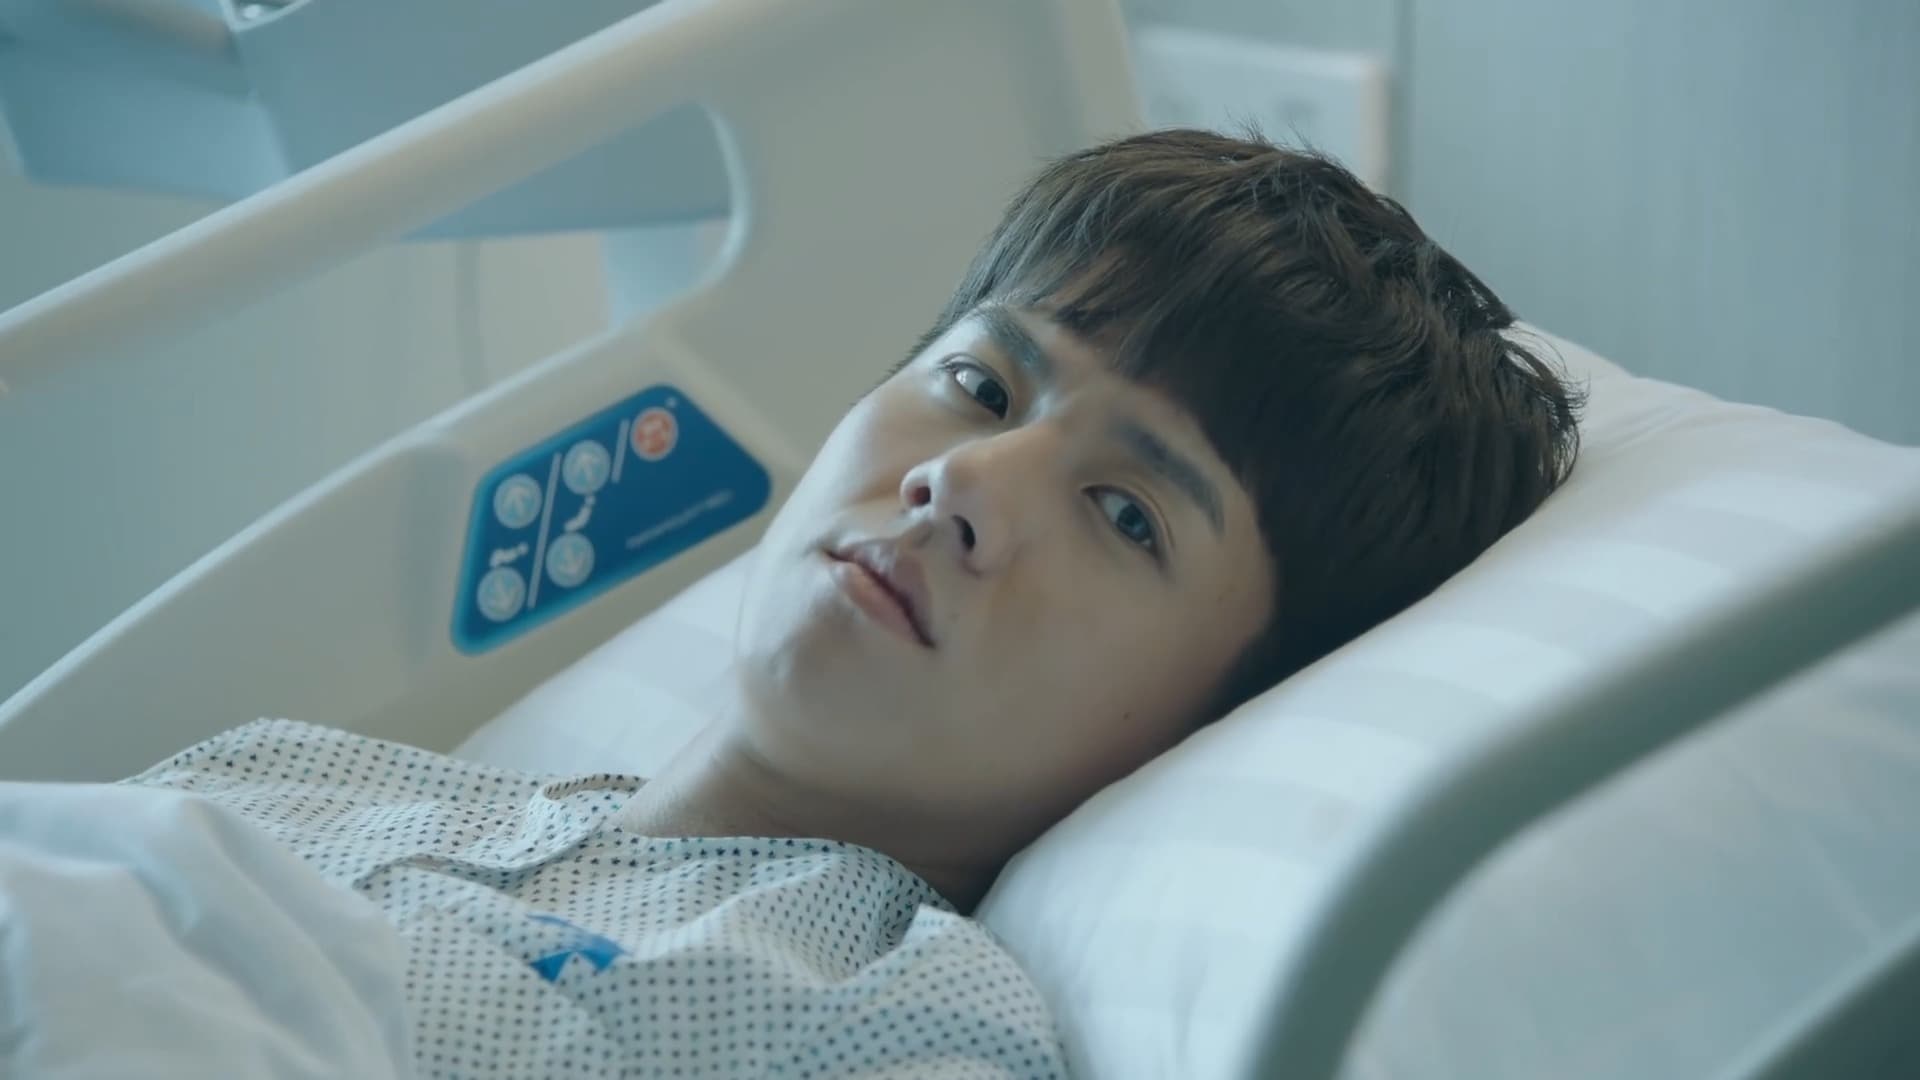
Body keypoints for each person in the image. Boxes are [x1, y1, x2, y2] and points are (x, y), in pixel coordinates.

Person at [8, 130, 1581, 1079]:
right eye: (982, 384)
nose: (965, 483)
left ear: (1218, 719)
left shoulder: (897, 1023)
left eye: (1125, 513)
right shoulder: (305, 773)